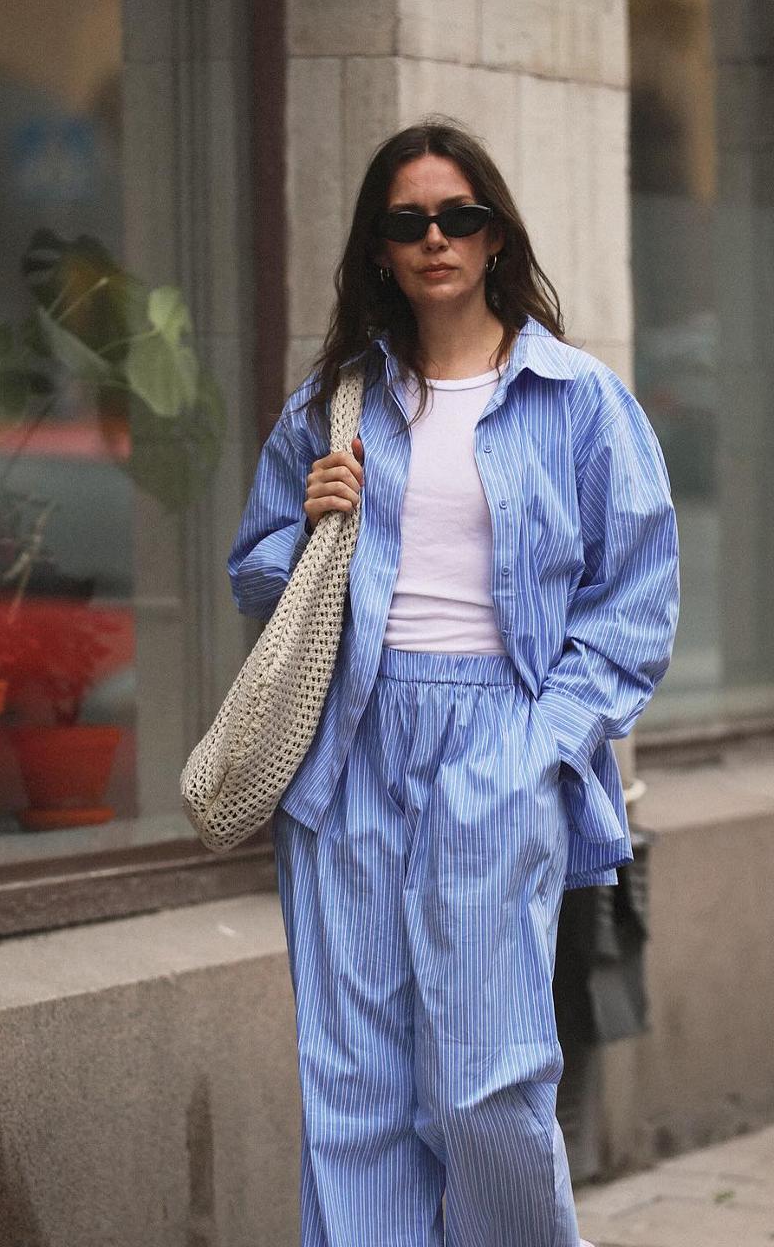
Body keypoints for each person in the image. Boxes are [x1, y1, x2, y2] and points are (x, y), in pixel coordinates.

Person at [229, 115, 680, 1247]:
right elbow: (255, 574)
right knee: (355, 1093)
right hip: (351, 753)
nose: (436, 238)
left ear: (493, 238)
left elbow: (634, 611)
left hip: (499, 736)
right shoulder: (332, 403)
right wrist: (313, 523)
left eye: (458, 216)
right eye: (409, 221)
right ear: (380, 248)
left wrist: (538, 746)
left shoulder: (578, 401)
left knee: (487, 1081)